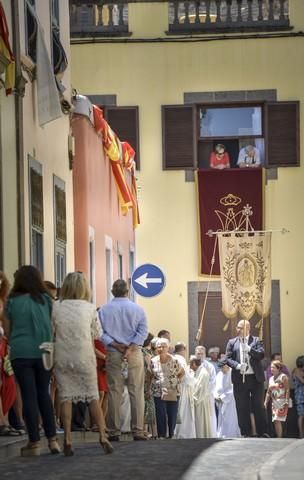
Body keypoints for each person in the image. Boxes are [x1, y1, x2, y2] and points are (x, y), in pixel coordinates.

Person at [52, 272, 112, 456]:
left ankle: (68, 438)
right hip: (85, 356)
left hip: (63, 355)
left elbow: (51, 330)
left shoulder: (56, 306)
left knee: (66, 397)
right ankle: (103, 436)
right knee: (93, 396)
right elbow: (97, 334)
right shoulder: (90, 308)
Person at [4, 265, 60, 456]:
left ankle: (34, 442)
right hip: (45, 350)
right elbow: (53, 325)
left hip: (21, 351)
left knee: (28, 394)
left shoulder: (12, 301)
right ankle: (53, 440)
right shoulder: (46, 299)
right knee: (43, 393)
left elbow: (8, 329)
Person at [98, 279, 148, 441]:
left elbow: (100, 332)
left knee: (114, 392)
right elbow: (143, 331)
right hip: (134, 354)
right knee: (136, 391)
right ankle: (138, 430)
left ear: (112, 292)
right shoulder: (138, 309)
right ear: (128, 292)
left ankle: (113, 431)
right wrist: (132, 347)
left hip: (113, 353)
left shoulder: (104, 310)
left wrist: (115, 345)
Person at [225, 319, 268, 437]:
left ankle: (262, 431)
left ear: (248, 328)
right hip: (240, 379)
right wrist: (238, 366)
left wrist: (249, 349)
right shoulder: (232, 342)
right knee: (242, 406)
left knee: (258, 405)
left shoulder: (256, 340)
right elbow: (227, 359)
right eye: (238, 327)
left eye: (240, 327)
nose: (238, 329)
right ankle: (245, 432)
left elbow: (261, 355)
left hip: (255, 379)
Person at [150, 337, 184, 439]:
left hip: (173, 390)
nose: (161, 348)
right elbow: (149, 374)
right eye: (159, 346)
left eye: (164, 346)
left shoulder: (175, 360)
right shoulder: (153, 361)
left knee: (172, 413)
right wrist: (149, 387)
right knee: (160, 413)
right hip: (158, 390)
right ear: (156, 348)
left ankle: (171, 434)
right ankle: (162, 435)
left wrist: (175, 382)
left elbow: (182, 373)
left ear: (168, 348)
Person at [195, 345, 217, 436]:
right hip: (195, 397)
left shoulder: (210, 366)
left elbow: (212, 382)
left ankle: (209, 434)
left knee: (209, 417)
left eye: (201, 354)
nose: (200, 355)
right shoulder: (192, 365)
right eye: (198, 353)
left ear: (205, 354)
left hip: (207, 397)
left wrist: (204, 393)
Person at [215, 360, 240, 438]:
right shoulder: (219, 374)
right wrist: (216, 396)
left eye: (223, 367)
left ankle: (230, 433)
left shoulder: (233, 374)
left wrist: (222, 397)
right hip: (221, 401)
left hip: (230, 400)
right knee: (222, 418)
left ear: (227, 366)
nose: (222, 369)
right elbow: (216, 386)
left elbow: (233, 388)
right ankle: (222, 433)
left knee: (230, 417)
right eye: (221, 368)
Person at [264, 360, 289, 438]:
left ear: (278, 368)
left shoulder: (283, 377)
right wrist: (265, 402)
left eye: (273, 367)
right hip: (274, 402)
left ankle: (280, 437)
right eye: (271, 367)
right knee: (275, 420)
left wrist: (287, 400)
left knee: (277, 419)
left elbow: (287, 389)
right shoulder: (271, 378)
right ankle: (279, 436)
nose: (271, 369)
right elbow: (268, 392)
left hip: (282, 401)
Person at [190, 357, 213, 438]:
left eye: (190, 364)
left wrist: (192, 399)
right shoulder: (197, 372)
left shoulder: (203, 374)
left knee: (201, 423)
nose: (190, 367)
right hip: (198, 401)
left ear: (193, 364)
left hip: (201, 402)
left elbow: (200, 389)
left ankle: (201, 437)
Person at [142, 333, 157, 439]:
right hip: (146, 382)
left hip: (143, 382)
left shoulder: (143, 352)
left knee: (146, 408)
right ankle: (150, 432)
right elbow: (150, 370)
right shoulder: (147, 353)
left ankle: (146, 431)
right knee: (148, 408)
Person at [292, 355, 304, 438]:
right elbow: (302, 381)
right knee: (301, 415)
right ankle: (301, 434)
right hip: (300, 397)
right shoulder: (296, 371)